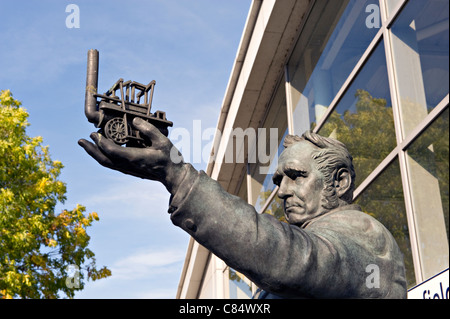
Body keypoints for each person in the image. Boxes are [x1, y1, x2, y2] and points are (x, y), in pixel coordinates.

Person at [79, 117, 407, 298]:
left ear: (341, 182)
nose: (282, 192)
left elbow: (292, 260)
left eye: (296, 177)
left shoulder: (366, 238)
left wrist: (177, 175)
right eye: (279, 180)